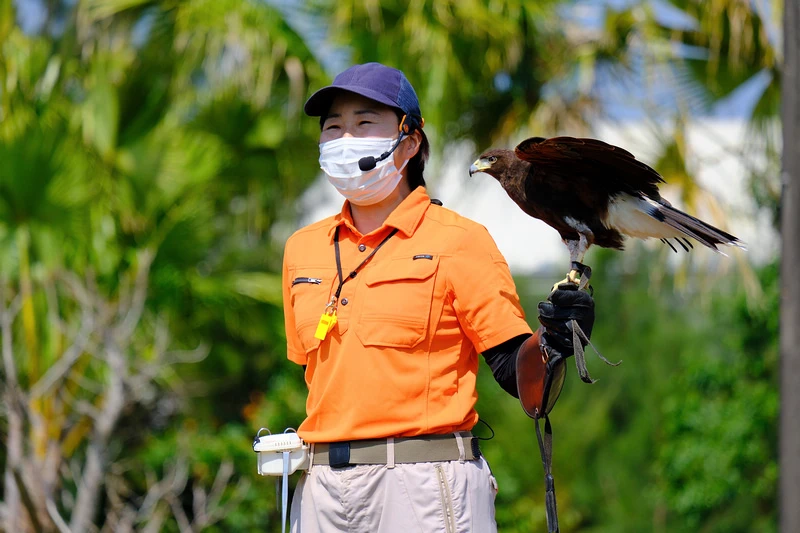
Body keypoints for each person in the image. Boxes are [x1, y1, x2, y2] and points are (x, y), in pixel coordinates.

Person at [281, 62, 595, 532]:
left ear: (410, 142)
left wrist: (552, 342)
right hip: (321, 488)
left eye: (365, 123)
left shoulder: (460, 241)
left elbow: (518, 377)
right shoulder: (301, 249)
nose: (346, 139)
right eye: (333, 128)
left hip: (422, 485)